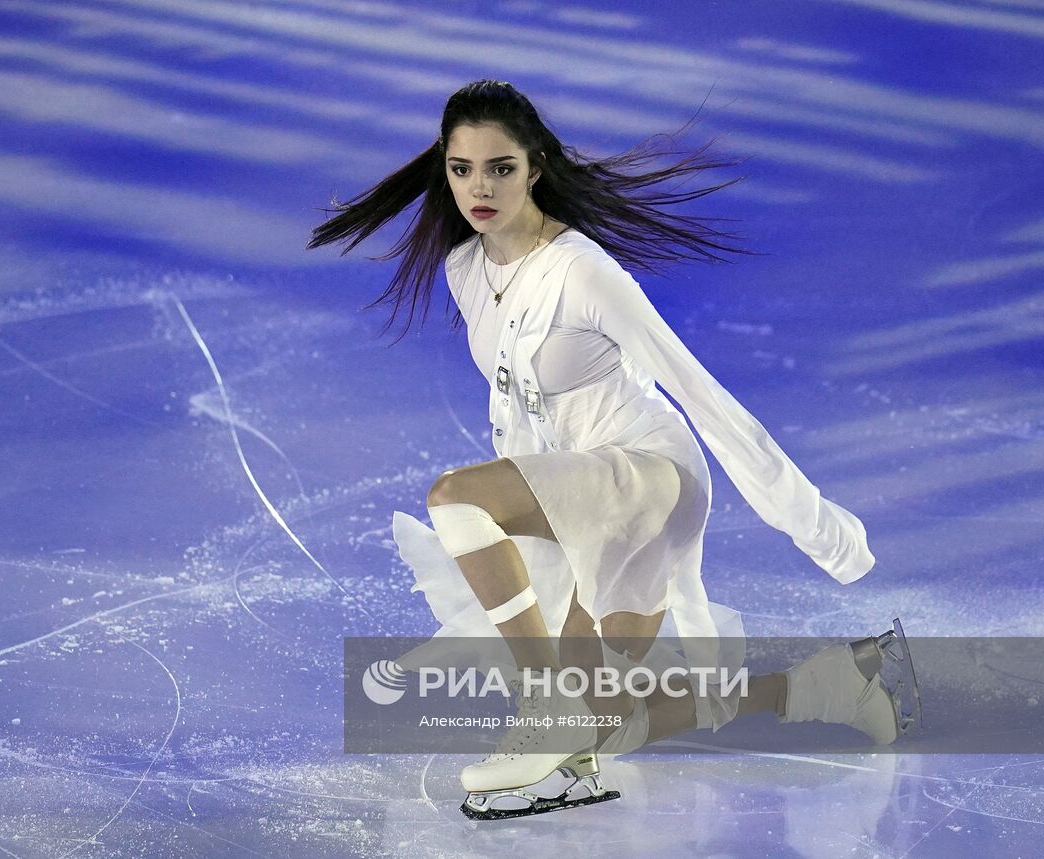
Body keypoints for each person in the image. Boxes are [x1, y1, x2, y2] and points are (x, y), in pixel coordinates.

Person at [308, 80, 916, 820]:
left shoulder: (583, 271)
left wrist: (813, 521)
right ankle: (825, 685)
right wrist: (537, 529)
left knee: (456, 499)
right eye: (463, 168)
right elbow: (519, 410)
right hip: (579, 491)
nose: (480, 186)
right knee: (610, 727)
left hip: (648, 478)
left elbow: (698, 392)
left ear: (535, 165)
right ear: (444, 166)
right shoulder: (465, 271)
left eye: (500, 167)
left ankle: (546, 703)